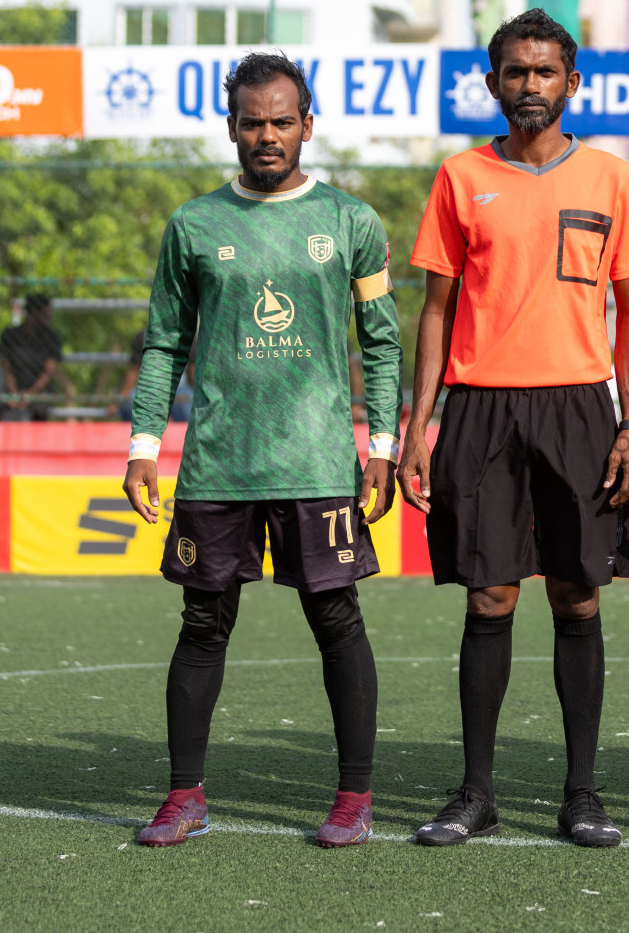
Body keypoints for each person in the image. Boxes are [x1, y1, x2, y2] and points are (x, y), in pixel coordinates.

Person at [123, 52, 403, 849]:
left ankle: (353, 799)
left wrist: (381, 443)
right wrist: (144, 444)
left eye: (283, 121)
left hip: (317, 463)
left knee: (336, 619)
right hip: (217, 462)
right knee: (202, 623)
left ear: (308, 125)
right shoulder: (194, 224)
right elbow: (163, 344)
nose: (268, 136)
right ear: (233, 126)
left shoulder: (352, 221)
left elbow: (381, 346)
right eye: (253, 122)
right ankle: (184, 796)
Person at [398, 8, 629, 849]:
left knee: (578, 594)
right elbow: (435, 312)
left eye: (546, 72)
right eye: (516, 71)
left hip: (580, 406)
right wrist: (416, 429)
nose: (530, 85)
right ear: (493, 82)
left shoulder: (611, 179)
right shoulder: (459, 177)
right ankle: (477, 792)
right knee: (490, 594)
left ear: (571, 83)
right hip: (480, 407)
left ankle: (583, 793)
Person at [0, 293, 65, 420]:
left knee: (37, 412)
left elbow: (48, 372)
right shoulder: (10, 336)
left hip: (40, 393)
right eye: (46, 313)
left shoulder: (51, 337)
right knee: (4, 412)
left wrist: (30, 395)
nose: (49, 317)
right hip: (12, 391)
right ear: (34, 313)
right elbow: (7, 369)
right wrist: (14, 394)